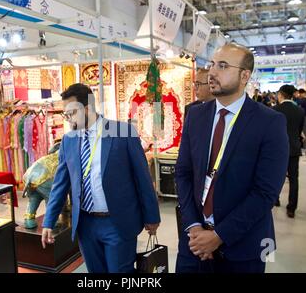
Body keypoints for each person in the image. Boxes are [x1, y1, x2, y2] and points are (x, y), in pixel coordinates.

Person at [175, 43, 289, 273]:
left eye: (223, 66)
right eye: (213, 64)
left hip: (243, 248)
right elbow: (183, 172)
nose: (213, 73)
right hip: (193, 244)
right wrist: (194, 225)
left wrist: (218, 236)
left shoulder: (269, 122)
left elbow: (265, 192)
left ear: (245, 75)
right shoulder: (195, 116)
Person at [41, 83, 161, 273]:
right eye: (66, 114)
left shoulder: (123, 133)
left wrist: (152, 216)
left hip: (118, 222)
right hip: (86, 225)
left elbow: (142, 177)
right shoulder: (68, 140)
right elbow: (60, 184)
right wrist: (48, 221)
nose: (67, 119)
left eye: (71, 113)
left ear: (87, 109)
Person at [274, 85, 305, 218]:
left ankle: (274, 199)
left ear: (281, 94)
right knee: (293, 178)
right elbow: (299, 131)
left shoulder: (275, 110)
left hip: (277, 149)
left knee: (275, 177)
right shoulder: (299, 110)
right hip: (294, 148)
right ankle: (291, 208)